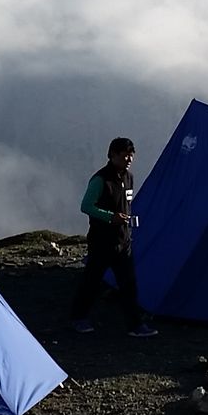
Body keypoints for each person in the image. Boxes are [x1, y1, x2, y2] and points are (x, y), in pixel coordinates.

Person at [70, 136, 156, 337]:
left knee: (128, 284)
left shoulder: (129, 177)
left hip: (123, 240)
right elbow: (86, 206)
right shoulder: (101, 180)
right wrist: (111, 217)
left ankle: (135, 325)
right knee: (92, 281)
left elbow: (126, 203)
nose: (128, 159)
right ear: (113, 155)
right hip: (102, 241)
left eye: (131, 155)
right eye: (125, 155)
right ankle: (78, 318)